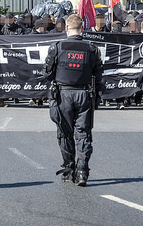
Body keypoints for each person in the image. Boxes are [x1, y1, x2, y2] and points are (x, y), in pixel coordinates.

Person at [44, 14, 103, 187]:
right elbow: (98, 76)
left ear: (67, 29)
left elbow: (47, 73)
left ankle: (69, 168)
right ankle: (83, 171)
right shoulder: (92, 49)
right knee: (83, 134)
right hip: (85, 94)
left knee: (64, 133)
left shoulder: (57, 47)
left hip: (64, 95)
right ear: (82, 29)